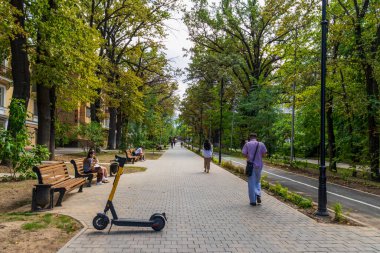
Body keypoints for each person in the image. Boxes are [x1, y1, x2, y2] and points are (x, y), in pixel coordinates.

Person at [242, 133, 267, 206]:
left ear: (250, 137)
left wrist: (249, 156)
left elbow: (243, 154)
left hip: (251, 166)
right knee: (257, 181)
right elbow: (264, 154)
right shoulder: (261, 144)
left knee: (251, 182)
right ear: (256, 137)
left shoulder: (247, 144)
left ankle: (253, 201)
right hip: (259, 165)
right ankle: (258, 194)